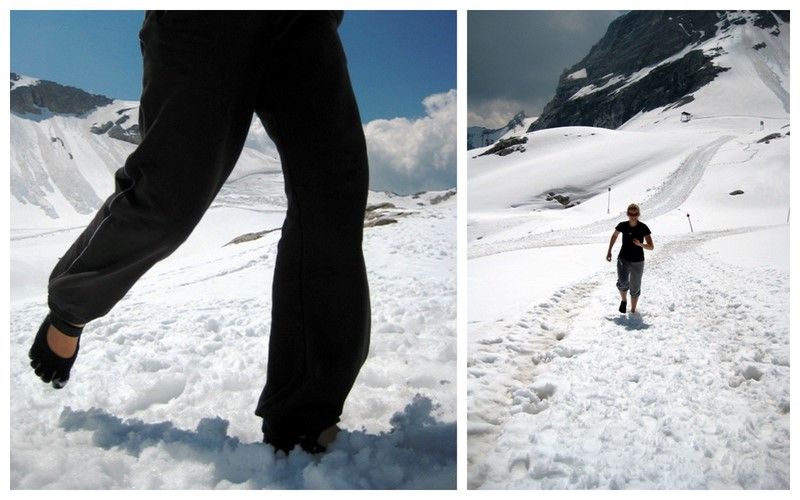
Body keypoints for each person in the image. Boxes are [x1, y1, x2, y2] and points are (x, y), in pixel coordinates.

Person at [28, 10, 371, 454]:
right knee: (168, 196)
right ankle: (70, 309)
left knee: (332, 197)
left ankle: (305, 414)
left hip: (306, 19)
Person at [605, 203, 653, 314]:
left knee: (635, 287)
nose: (633, 216)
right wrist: (609, 251)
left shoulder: (643, 227)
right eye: (631, 214)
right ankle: (623, 300)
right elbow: (614, 235)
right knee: (622, 282)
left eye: (635, 214)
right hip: (623, 259)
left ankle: (632, 310)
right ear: (627, 214)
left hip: (638, 261)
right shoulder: (622, 225)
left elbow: (651, 247)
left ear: (638, 214)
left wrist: (640, 244)